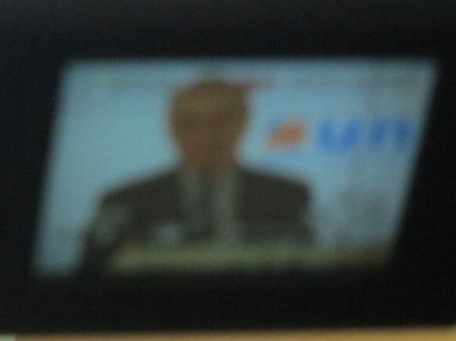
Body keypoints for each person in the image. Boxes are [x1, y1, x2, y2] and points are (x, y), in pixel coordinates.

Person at [81, 79, 309, 270]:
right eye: (191, 123)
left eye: (221, 120)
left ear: (243, 123)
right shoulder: (123, 200)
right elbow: (93, 272)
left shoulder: (288, 195)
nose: (208, 133)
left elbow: (305, 267)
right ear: (172, 129)